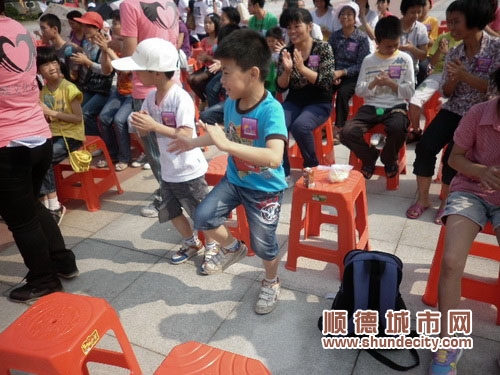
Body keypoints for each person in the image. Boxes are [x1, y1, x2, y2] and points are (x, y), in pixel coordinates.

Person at [169, 29, 288, 314]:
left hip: (265, 190)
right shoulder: (233, 103)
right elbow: (226, 134)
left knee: (265, 245)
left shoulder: (271, 111)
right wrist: (192, 143)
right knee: (203, 216)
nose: (221, 81)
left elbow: (274, 157)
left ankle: (271, 281)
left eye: (226, 73)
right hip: (236, 181)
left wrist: (226, 145)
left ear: (253, 73)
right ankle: (233, 248)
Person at [112, 38, 218, 265]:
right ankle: (191, 242)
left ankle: (213, 245)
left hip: (188, 170)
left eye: (139, 70)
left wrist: (153, 127)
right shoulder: (151, 98)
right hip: (168, 169)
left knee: (200, 213)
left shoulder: (181, 98)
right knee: (171, 211)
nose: (135, 74)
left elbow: (186, 135)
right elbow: (144, 127)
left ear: (157, 73)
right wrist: (140, 125)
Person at [0, 1, 79, 302]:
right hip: (38, 136)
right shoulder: (19, 28)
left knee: (20, 219)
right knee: (30, 207)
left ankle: (43, 279)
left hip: (9, 143)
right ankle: (62, 261)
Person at [428, 68, 500, 375]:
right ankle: (448, 339)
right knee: (452, 260)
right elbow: (454, 159)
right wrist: (480, 171)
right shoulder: (478, 113)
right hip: (470, 190)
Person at [407, 0, 500, 224]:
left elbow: (495, 89)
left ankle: (447, 202)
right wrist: (452, 78)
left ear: (474, 21)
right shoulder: (455, 51)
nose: (451, 28)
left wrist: (464, 75)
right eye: (449, 22)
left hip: (483, 113)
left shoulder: (496, 48)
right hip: (455, 108)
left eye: (456, 22)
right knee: (426, 146)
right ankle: (422, 199)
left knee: (453, 157)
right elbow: (447, 92)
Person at [119, 0, 179, 218]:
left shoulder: (130, 4)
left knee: (155, 152)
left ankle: (169, 198)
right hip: (171, 82)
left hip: (146, 88)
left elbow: (130, 53)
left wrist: (114, 50)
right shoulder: (169, 3)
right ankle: (174, 192)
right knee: (169, 148)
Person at [340, 16, 415, 180]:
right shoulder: (369, 61)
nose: (393, 49)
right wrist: (374, 83)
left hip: (395, 107)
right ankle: (369, 157)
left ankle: (388, 159)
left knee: (398, 128)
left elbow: (409, 92)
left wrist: (391, 84)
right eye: (388, 46)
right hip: (372, 108)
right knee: (346, 132)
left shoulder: (405, 59)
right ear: (378, 42)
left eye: (396, 45)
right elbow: (359, 91)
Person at [277, 8, 334, 181]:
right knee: (276, 124)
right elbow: (280, 87)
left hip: (319, 101)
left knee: (300, 126)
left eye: (297, 26)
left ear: (309, 26)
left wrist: (302, 68)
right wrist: (287, 71)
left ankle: (311, 166)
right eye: (289, 27)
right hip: (295, 100)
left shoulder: (323, 48)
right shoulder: (286, 52)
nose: (292, 31)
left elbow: (326, 81)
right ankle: (283, 171)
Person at [37, 47, 85, 224]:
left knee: (45, 158)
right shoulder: (43, 91)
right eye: (45, 64)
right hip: (52, 134)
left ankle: (54, 205)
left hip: (71, 136)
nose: (51, 67)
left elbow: (78, 118)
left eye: (54, 62)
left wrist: (52, 113)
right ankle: (46, 203)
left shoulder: (69, 88)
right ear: (38, 70)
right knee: (34, 156)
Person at [94, 12, 134, 172]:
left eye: (116, 22)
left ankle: (125, 157)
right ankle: (112, 154)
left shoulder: (131, 45)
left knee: (118, 120)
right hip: (119, 91)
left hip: (133, 93)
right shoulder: (113, 45)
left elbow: (126, 71)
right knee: (103, 118)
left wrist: (108, 49)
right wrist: (104, 50)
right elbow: (106, 70)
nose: (113, 25)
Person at [407, 29, 460, 143]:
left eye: (456, 22)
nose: (453, 26)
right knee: (414, 101)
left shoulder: (467, 40)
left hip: (457, 76)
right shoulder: (443, 37)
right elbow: (433, 63)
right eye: (450, 22)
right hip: (437, 75)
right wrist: (440, 51)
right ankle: (416, 131)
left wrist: (447, 53)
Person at [328, 2, 370, 139]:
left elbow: (361, 64)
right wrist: (334, 72)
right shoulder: (334, 37)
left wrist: (343, 72)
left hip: (353, 74)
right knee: (323, 90)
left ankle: (339, 127)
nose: (345, 17)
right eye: (342, 14)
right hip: (335, 73)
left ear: (355, 17)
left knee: (343, 94)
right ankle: (324, 124)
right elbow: (329, 57)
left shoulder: (361, 38)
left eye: (349, 14)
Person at [70, 11, 114, 136]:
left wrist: (87, 62)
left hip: (106, 87)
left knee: (85, 113)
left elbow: (107, 71)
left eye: (88, 26)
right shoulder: (87, 42)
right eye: (83, 25)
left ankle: (99, 141)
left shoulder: (105, 42)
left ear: (97, 27)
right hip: (93, 85)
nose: (84, 28)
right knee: (76, 109)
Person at [187, 13, 221, 102]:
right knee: (190, 79)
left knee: (196, 80)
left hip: (215, 69)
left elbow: (220, 60)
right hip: (206, 67)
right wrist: (200, 57)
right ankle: (204, 99)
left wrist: (208, 58)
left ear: (216, 24)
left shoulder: (220, 40)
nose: (206, 25)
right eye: (205, 23)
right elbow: (202, 55)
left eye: (210, 23)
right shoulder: (204, 41)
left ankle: (206, 100)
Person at [39, 13, 82, 82]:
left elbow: (74, 76)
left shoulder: (70, 49)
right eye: (41, 29)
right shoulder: (51, 49)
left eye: (44, 28)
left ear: (55, 29)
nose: (42, 32)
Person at [399, 0, 429, 84]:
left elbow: (423, 55)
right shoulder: (393, 26)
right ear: (403, 11)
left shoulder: (421, 29)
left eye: (419, 12)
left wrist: (411, 48)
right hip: (393, 70)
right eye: (412, 12)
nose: (416, 16)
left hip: (411, 71)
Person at [418, 0, 439, 85]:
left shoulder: (433, 21)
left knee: (422, 67)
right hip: (414, 53)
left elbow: (433, 42)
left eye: (424, 4)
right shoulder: (413, 21)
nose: (422, 7)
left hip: (427, 55)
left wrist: (421, 38)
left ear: (430, 6)